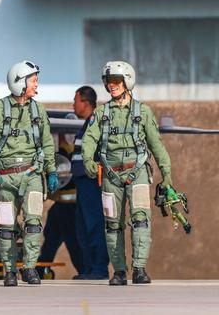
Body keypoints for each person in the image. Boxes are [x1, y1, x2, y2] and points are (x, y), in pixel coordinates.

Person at [81, 61, 172, 285]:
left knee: (141, 220)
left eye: (116, 82)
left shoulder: (143, 112)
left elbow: (156, 144)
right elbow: (89, 139)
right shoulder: (101, 113)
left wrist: (166, 173)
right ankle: (119, 271)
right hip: (111, 175)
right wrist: (88, 161)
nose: (111, 86)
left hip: (138, 170)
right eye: (109, 82)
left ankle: (139, 269)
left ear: (127, 82)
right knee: (112, 224)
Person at [0, 61, 57, 287]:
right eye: (33, 79)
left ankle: (29, 268)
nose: (36, 82)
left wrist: (51, 170)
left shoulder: (38, 110)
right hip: (4, 177)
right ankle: (9, 271)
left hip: (32, 175)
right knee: (7, 227)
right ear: (20, 81)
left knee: (33, 224)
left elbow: (47, 142)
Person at [70, 86, 110, 279]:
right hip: (83, 184)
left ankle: (99, 268)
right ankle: (88, 268)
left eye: (75, 101)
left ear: (85, 103)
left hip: (92, 184)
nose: (73, 105)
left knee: (94, 225)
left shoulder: (95, 124)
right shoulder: (86, 125)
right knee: (82, 227)